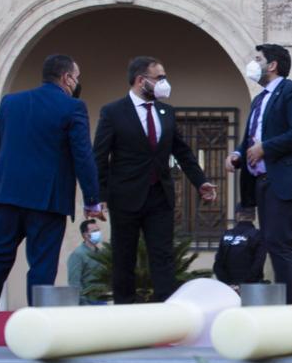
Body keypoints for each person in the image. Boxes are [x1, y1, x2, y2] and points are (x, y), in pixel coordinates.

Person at [0, 53, 104, 345]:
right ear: (67, 78)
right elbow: (83, 155)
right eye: (77, 77)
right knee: (41, 264)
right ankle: (35, 326)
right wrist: (92, 199)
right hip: (47, 199)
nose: (77, 83)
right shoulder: (73, 107)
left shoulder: (10, 103)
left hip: (6, 196)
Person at [93, 55, 218, 304]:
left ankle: (166, 313)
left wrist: (200, 181)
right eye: (159, 77)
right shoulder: (113, 112)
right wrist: (99, 197)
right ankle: (125, 311)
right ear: (141, 81)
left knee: (163, 256)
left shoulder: (166, 112)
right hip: (125, 197)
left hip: (160, 196)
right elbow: (99, 157)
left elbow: (182, 151)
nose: (164, 82)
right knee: (123, 257)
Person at [228, 43, 292, 304]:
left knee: (281, 244)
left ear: (272, 65)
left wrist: (265, 149)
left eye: (257, 59)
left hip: (287, 181)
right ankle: (287, 306)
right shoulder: (260, 99)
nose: (252, 63)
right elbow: (253, 136)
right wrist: (238, 153)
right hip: (263, 182)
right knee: (274, 243)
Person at [212, 205, 267, 286]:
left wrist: (229, 284)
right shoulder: (258, 235)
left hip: (229, 288)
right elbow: (258, 264)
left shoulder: (227, 235)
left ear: (237, 215)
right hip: (250, 288)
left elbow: (218, 264)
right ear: (254, 217)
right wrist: (243, 284)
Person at [64, 218, 104, 305]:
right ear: (85, 235)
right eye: (94, 231)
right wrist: (83, 303)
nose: (98, 233)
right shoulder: (78, 254)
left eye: (98, 230)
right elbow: (74, 282)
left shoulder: (100, 253)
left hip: (101, 299)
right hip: (88, 301)